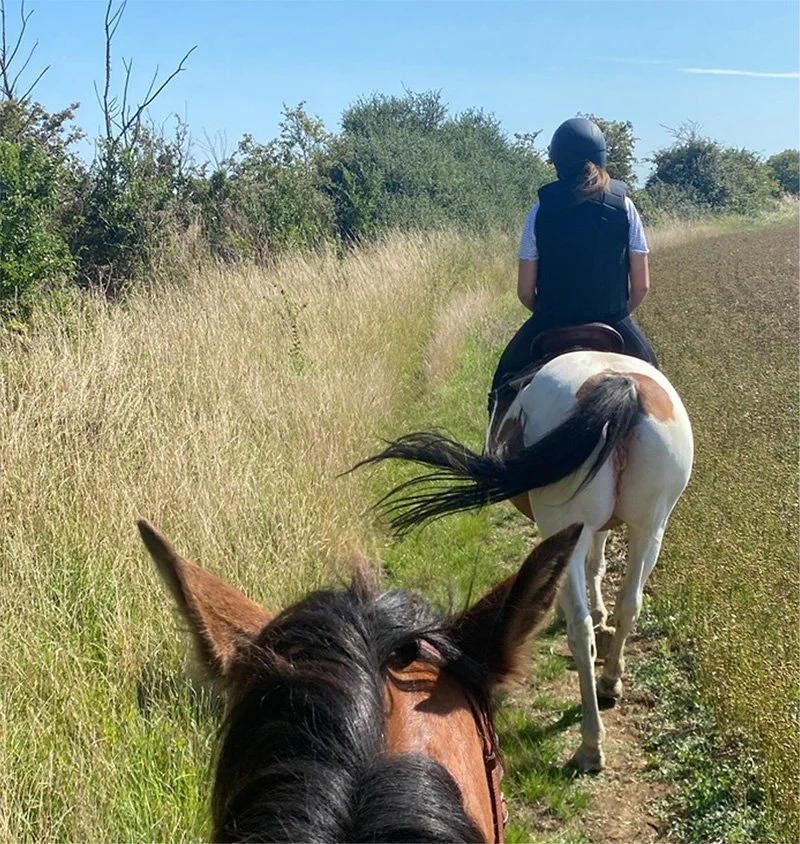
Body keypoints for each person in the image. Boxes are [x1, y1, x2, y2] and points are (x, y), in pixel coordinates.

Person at [489, 117, 658, 410]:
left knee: (501, 386)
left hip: (551, 321)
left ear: (558, 163)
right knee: (655, 385)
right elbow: (641, 286)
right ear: (602, 158)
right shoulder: (625, 206)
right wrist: (614, 315)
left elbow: (526, 292)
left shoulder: (540, 210)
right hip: (613, 320)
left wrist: (552, 314)